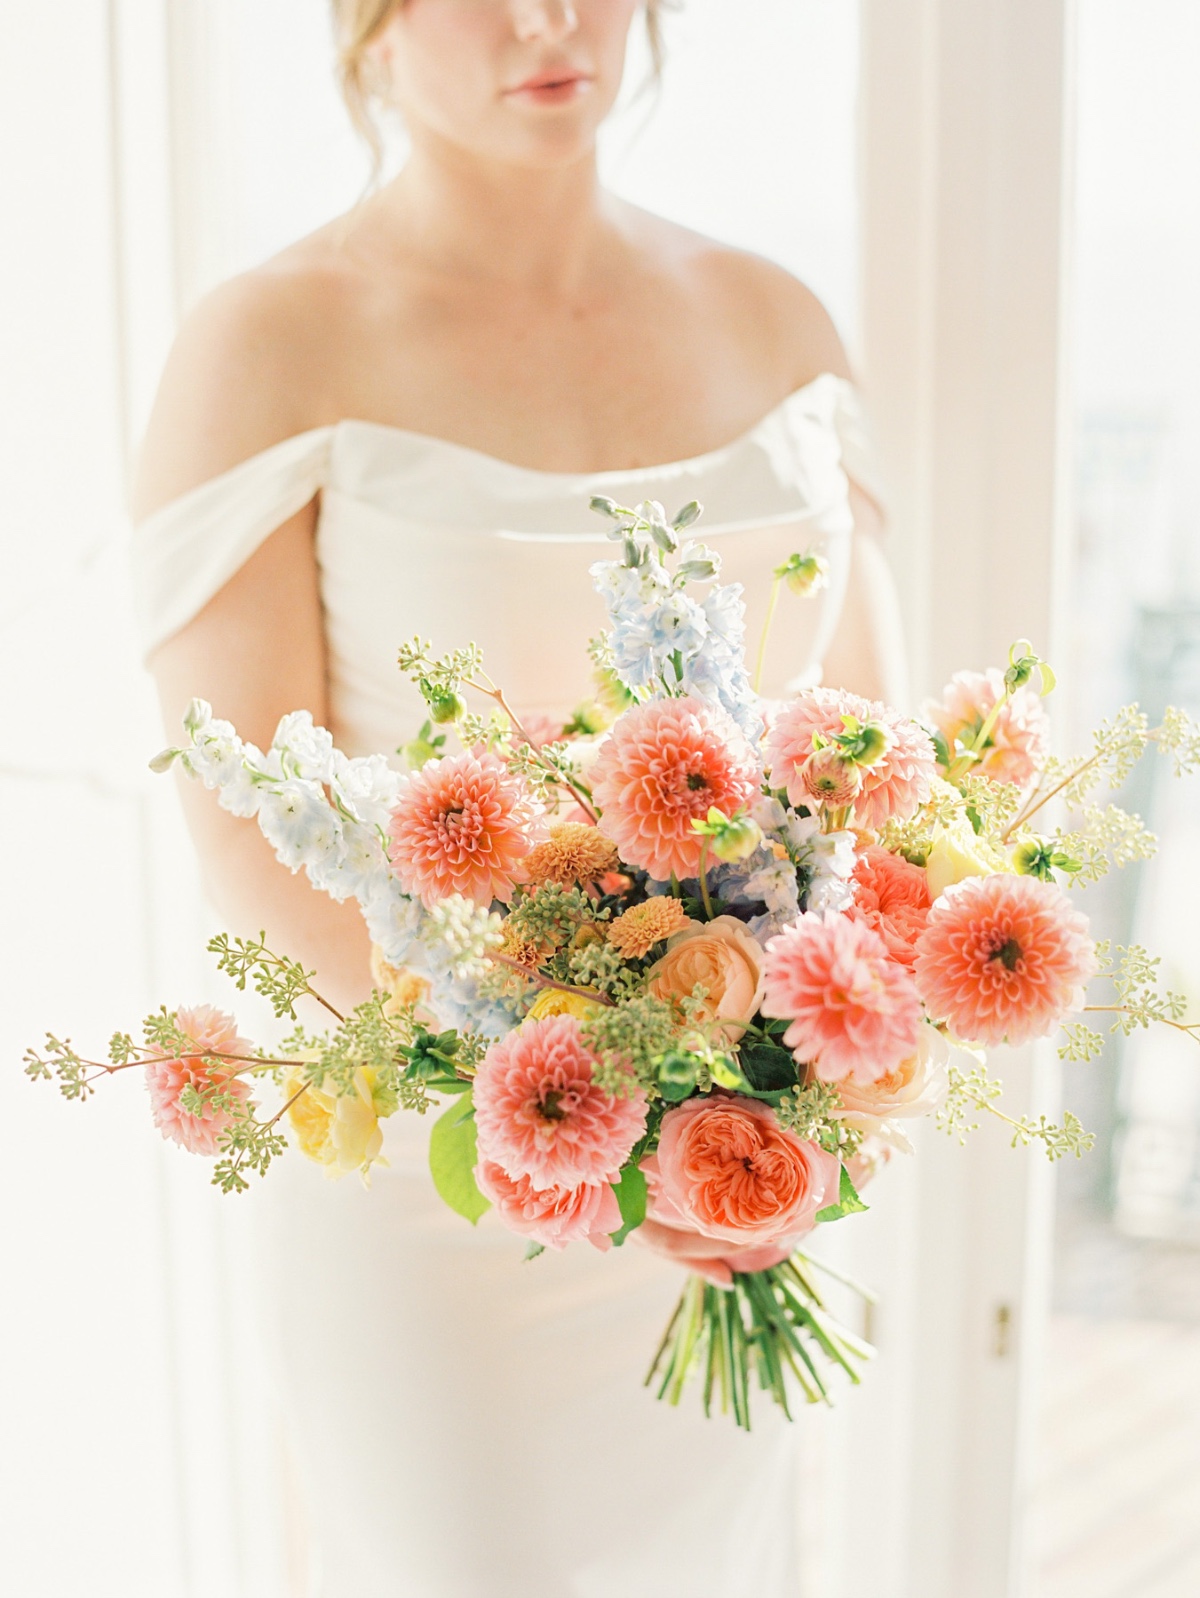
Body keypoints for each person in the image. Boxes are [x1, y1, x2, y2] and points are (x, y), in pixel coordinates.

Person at [133, 3, 901, 1593]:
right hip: (442, 1196)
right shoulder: (266, 342)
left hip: (735, 1178)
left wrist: (776, 1105)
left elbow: (873, 777)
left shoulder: (777, 319)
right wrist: (589, 1111)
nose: (554, 19)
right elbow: (247, 831)